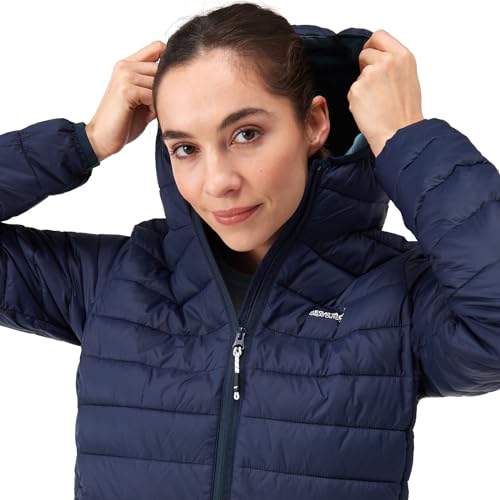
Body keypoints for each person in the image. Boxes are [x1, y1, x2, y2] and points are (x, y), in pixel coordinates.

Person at [1, 2, 499, 499]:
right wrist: (84, 142)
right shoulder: (115, 282)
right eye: (185, 148)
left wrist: (405, 139)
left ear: (315, 123)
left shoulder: (394, 300)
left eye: (246, 134)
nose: (217, 182)